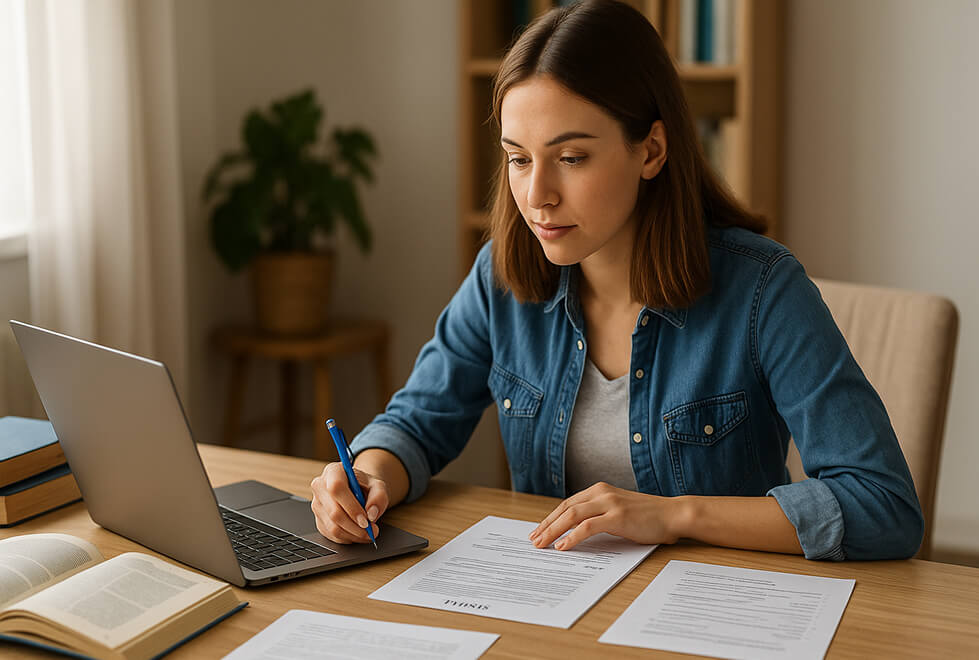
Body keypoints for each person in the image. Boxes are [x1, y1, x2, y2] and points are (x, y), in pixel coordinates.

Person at [310, 0, 923, 561]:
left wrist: (674, 516)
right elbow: (418, 422)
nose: (537, 195)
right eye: (519, 158)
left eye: (571, 158)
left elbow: (884, 505)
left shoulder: (764, 289)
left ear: (651, 150)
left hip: (712, 611)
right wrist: (369, 474)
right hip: (557, 606)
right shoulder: (500, 274)